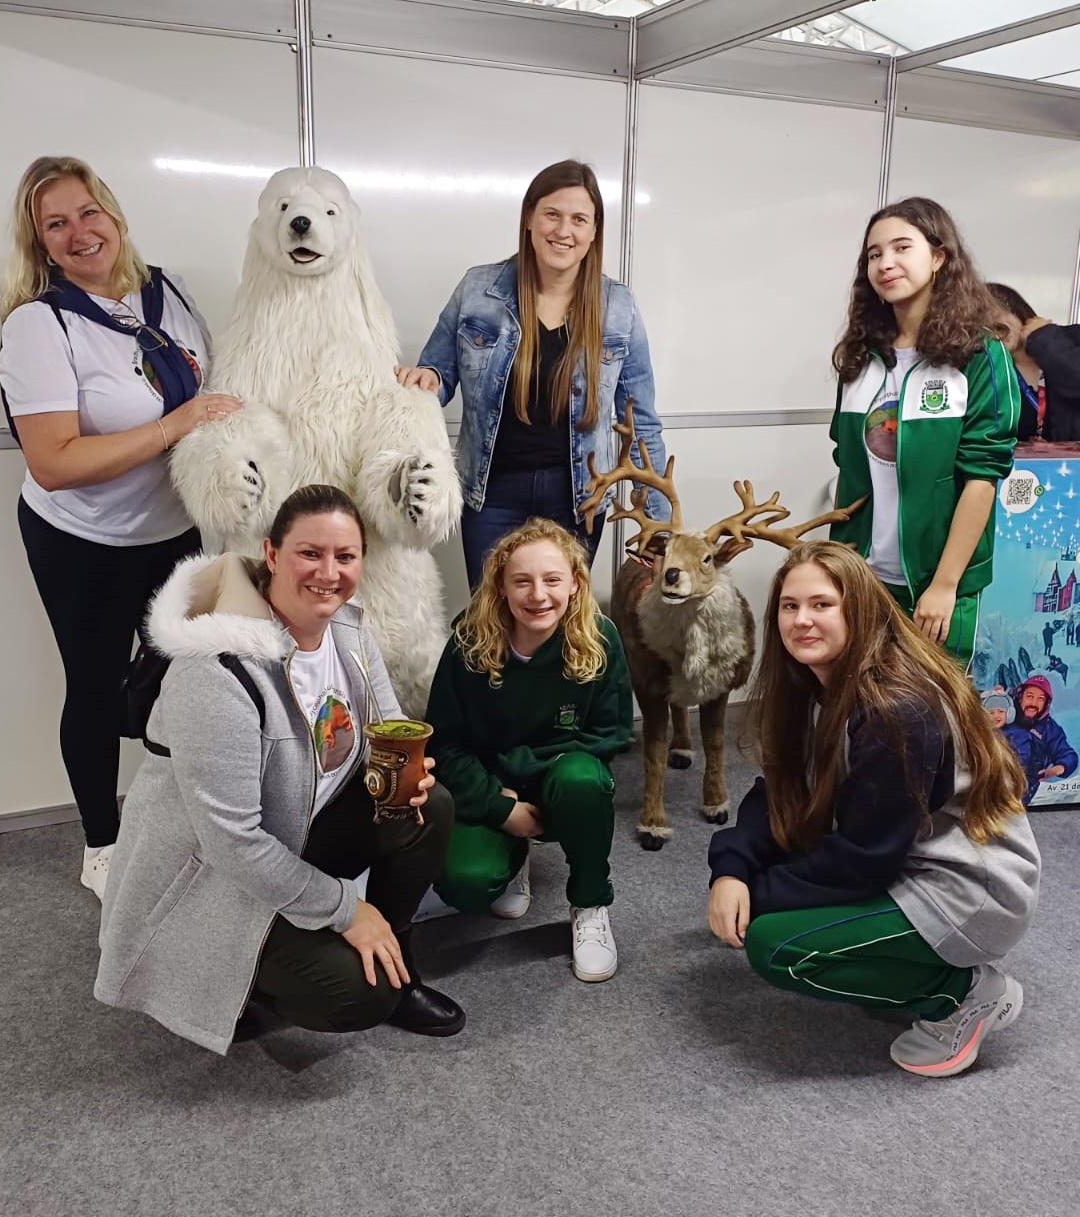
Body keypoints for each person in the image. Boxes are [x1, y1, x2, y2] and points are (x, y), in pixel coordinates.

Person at [94, 485, 465, 1054]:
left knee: (429, 808)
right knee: (355, 997)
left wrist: (405, 776)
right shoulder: (214, 672)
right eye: (309, 553)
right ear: (270, 554)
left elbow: (384, 725)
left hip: (298, 829)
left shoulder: (349, 627)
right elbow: (234, 844)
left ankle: (395, 961)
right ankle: (246, 983)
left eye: (345, 557)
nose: (329, 572)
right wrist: (347, 910)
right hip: (213, 877)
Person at [0, 155, 244, 900]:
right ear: (40, 243)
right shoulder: (37, 325)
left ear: (115, 214)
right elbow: (55, 461)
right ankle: (101, 843)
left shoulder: (166, 292)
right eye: (56, 224)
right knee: (97, 687)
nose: (79, 233)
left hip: (179, 532)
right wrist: (176, 425)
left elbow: (216, 396)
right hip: (85, 541)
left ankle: (203, 819)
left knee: (210, 673)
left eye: (88, 213)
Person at [708, 541, 1040, 1078]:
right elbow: (780, 788)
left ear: (858, 609)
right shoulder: (819, 683)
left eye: (822, 604)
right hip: (905, 853)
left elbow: (865, 859)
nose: (802, 620)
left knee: (776, 944)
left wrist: (758, 895)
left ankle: (964, 994)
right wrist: (732, 869)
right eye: (790, 607)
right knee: (760, 889)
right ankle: (899, 966)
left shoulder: (895, 709)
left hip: (967, 889)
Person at [395, 160, 668, 587]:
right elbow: (439, 372)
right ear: (529, 218)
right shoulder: (478, 289)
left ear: (594, 231)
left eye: (579, 219)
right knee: (492, 623)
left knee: (558, 624)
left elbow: (641, 423)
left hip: (579, 500)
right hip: (491, 495)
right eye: (552, 215)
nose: (564, 231)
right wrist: (427, 380)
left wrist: (660, 527)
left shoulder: (619, 307)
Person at [424, 518, 632, 982]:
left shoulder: (600, 640)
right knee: (466, 884)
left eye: (552, 579)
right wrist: (500, 808)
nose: (538, 594)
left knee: (584, 779)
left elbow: (611, 735)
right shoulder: (468, 641)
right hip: (492, 785)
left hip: (560, 779)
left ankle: (590, 903)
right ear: (500, 586)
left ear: (575, 585)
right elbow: (445, 741)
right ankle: (513, 854)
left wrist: (528, 776)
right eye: (522, 580)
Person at [829, 197, 1019, 667]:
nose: (885, 263)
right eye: (874, 254)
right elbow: (846, 466)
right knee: (863, 709)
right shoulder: (860, 358)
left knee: (932, 719)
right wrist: (840, 561)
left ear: (938, 258)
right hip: (863, 576)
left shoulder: (980, 355)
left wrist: (946, 584)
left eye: (901, 248)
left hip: (935, 584)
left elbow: (982, 478)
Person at [988, 281, 1080, 442]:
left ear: (1014, 309)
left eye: (993, 314)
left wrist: (1043, 338)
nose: (990, 326)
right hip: (1023, 466)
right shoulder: (992, 366)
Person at [1011, 674, 1077, 802]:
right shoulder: (1006, 714)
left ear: (1046, 704)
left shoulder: (1050, 729)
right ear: (1020, 697)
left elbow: (1069, 755)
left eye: (1040, 699)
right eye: (1029, 696)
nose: (1034, 703)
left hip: (1024, 788)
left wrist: (1056, 770)